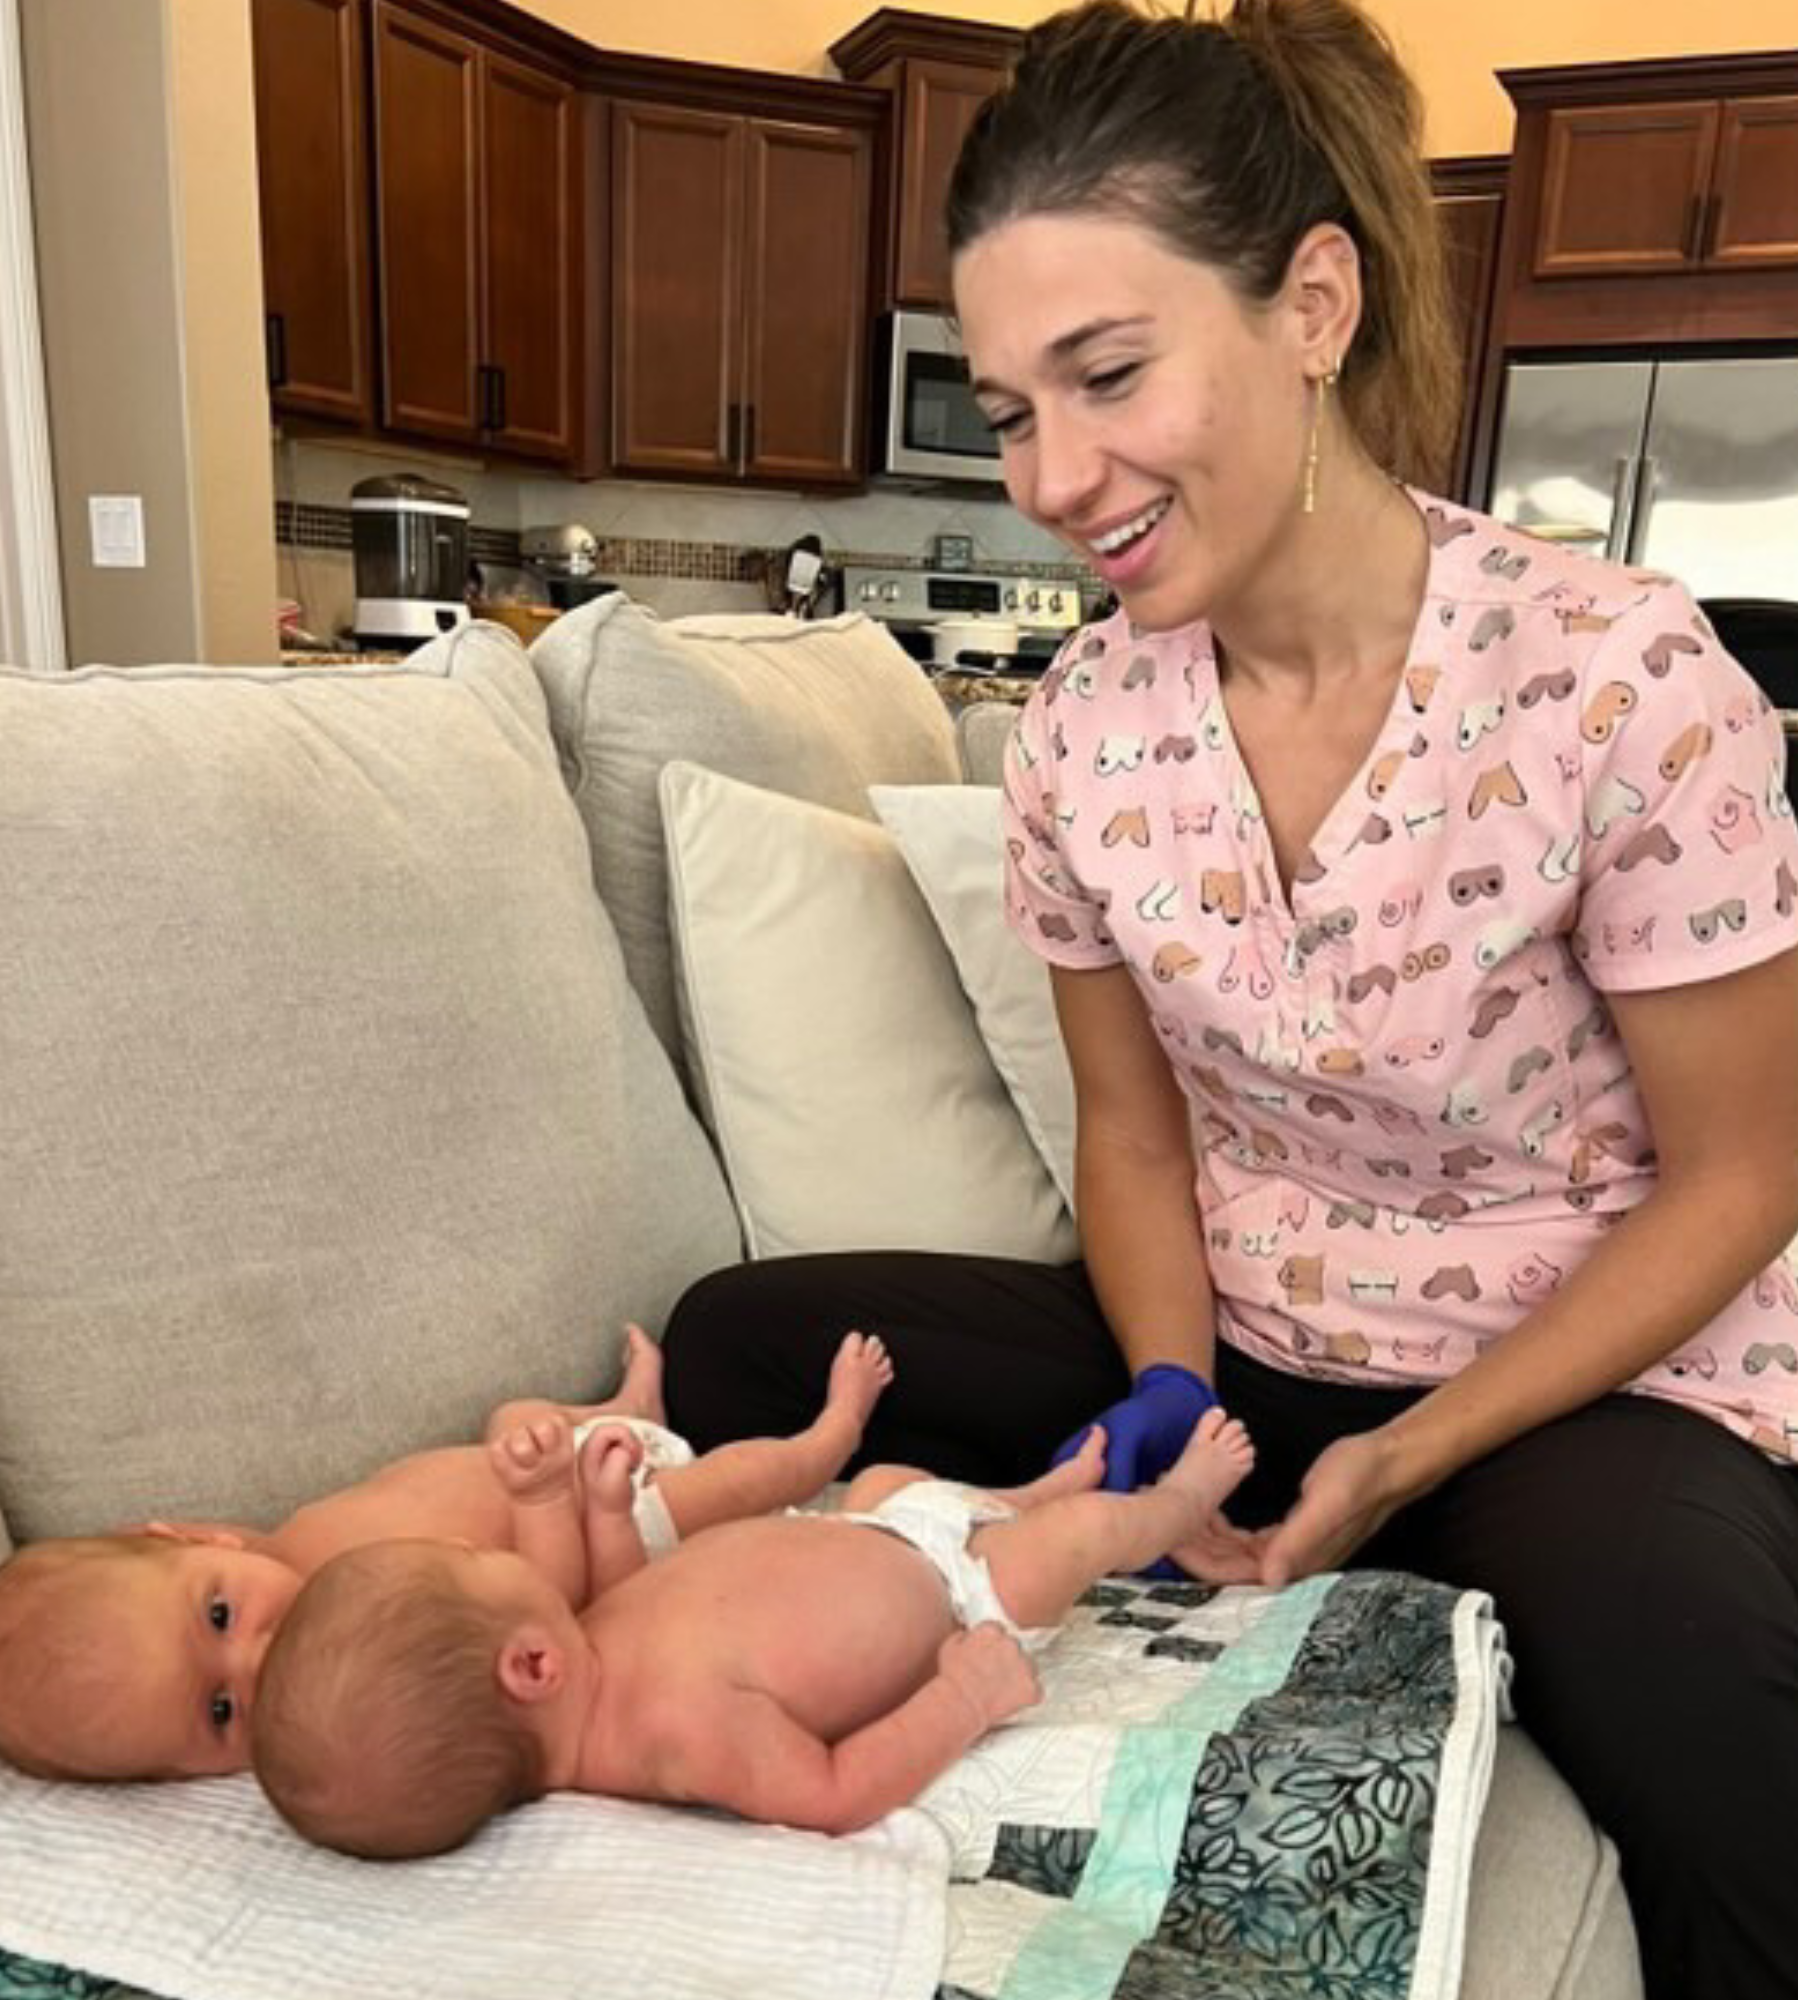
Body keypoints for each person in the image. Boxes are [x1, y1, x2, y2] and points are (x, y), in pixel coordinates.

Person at [656, 4, 1798, 1995]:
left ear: (1312, 304)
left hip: (1563, 1386)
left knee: (1720, 1723)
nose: (1056, 473)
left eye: (1106, 374)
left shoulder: (1617, 679)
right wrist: (1172, 1402)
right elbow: (1131, 1127)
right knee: (744, 1342)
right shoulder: (1081, 730)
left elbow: (1742, 1175)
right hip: (1244, 1362)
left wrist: (1403, 1457)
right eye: (1011, 408)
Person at [250, 1405, 1255, 1858]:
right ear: (529, 1664)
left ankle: (1023, 1492)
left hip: (873, 1527)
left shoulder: (584, 1649)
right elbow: (827, 1794)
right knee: (1080, 1539)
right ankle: (1177, 1502)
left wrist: (604, 1511)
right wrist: (964, 1694)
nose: (496, 1550)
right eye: (479, 1561)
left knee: (887, 1479)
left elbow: (650, 1589)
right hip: (963, 1594)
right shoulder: (676, 1733)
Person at [0, 1327, 894, 1782]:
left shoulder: (307, 1542)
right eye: (221, 1709)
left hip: (568, 1460)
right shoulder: (377, 1653)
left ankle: (628, 1409)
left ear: (186, 1535)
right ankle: (826, 1440)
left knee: (514, 1418)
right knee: (727, 1483)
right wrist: (539, 1501)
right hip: (614, 1528)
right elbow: (546, 1610)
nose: (256, 1653)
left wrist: (536, 1462)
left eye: (218, 1614)